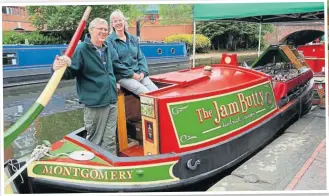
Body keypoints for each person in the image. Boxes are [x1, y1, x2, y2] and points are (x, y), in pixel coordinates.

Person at [52, 18, 134, 154]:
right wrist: (56, 67)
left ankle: (109, 169)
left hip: (111, 100)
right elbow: (69, 72)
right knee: (95, 141)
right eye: (100, 29)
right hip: (95, 104)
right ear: (91, 31)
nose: (103, 32)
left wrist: (114, 82)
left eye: (106, 29)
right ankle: (96, 169)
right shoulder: (82, 49)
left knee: (110, 139)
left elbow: (111, 69)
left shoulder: (106, 47)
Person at [107, 9, 158, 96]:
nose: (118, 23)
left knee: (156, 91)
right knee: (145, 93)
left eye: (120, 20)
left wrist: (143, 72)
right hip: (123, 76)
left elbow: (141, 57)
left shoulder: (132, 38)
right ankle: (152, 110)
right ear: (112, 24)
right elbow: (115, 63)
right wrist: (132, 74)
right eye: (115, 21)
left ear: (124, 21)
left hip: (138, 73)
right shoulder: (109, 41)